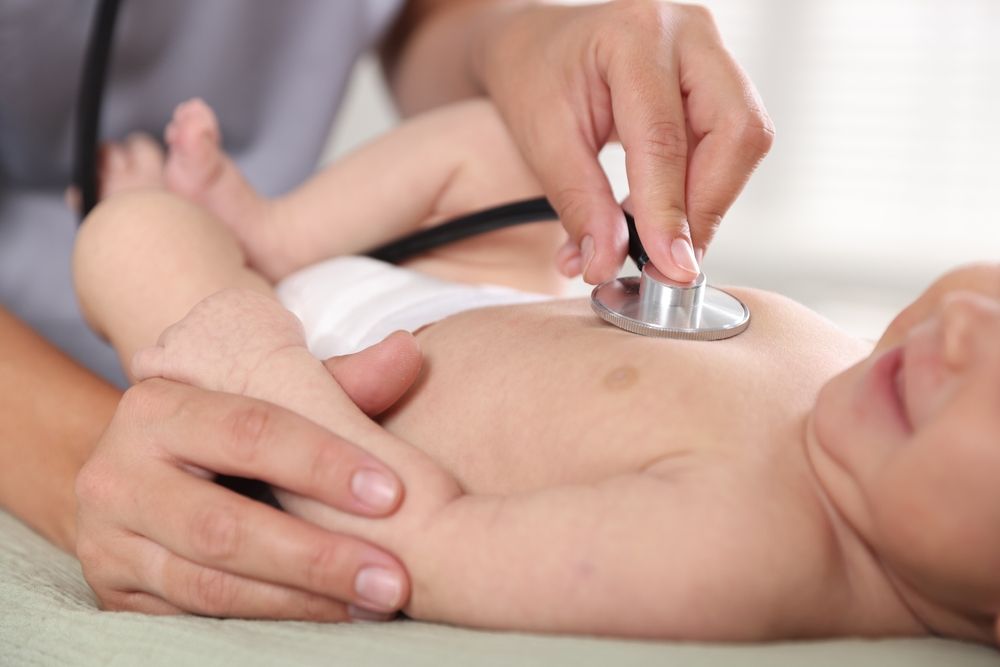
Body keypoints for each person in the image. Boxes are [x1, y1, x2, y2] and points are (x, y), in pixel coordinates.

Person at [74, 97, 999, 643]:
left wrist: (263, 368)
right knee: (508, 143)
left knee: (130, 241)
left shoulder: (751, 550)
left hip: (316, 388)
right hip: (469, 298)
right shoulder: (863, 380)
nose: (968, 329)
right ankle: (275, 232)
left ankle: (211, 248)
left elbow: (413, 547)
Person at [0, 0, 773, 620]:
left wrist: (514, 36)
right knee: (132, 234)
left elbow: (417, 14)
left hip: (407, 311)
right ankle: (257, 309)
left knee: (500, 135)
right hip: (243, 332)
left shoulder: (800, 542)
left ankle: (263, 243)